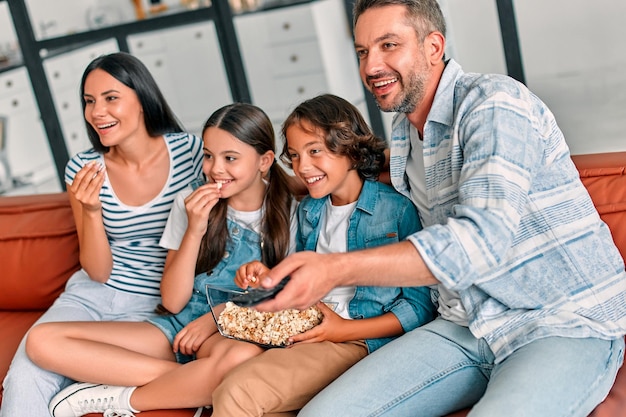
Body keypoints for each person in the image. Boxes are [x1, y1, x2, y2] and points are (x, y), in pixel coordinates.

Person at [248, 1, 626, 416]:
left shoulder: (494, 104)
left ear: (433, 46)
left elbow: (479, 243)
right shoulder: (404, 131)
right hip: (463, 325)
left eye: (388, 44)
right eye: (362, 51)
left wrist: (335, 268)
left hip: (558, 321)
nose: (372, 65)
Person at [25, 102, 297, 417]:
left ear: (264, 161)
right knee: (42, 340)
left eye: (230, 158)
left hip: (231, 329)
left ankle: (122, 396)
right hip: (177, 326)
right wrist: (195, 229)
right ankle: (188, 384)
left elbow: (284, 295)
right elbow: (173, 300)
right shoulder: (188, 200)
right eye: (208, 156)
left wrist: (216, 318)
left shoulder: (288, 211)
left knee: (241, 360)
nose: (215, 169)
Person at [0, 51, 203, 417]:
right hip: (91, 296)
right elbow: (98, 271)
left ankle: (198, 381)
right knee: (24, 376)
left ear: (142, 98)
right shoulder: (83, 168)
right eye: (89, 101)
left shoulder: (192, 153)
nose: (97, 112)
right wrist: (92, 211)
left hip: (151, 308)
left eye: (111, 98)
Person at [209, 93, 436, 417]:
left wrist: (342, 330)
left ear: (351, 148)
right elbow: (302, 281)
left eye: (314, 151)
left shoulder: (395, 209)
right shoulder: (310, 210)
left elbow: (418, 309)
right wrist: (267, 275)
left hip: (358, 339)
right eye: (295, 156)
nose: (303, 166)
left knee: (237, 393)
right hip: (309, 332)